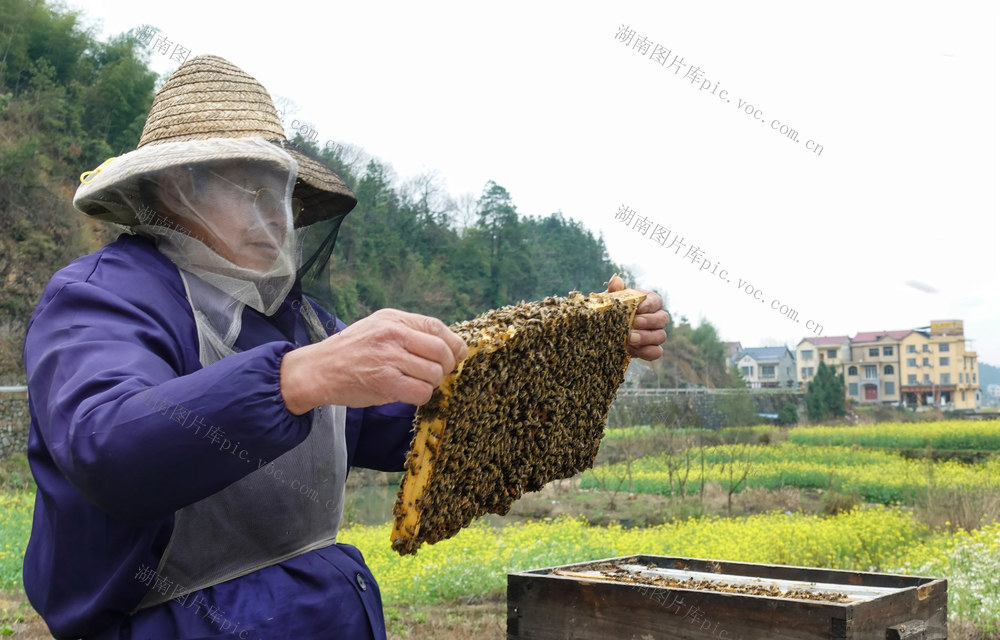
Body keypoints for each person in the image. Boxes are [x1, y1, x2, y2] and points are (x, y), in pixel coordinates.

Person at [21, 55, 667, 640]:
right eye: (242, 187)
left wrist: (592, 350)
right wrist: (297, 379)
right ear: (171, 189)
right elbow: (105, 445)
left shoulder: (299, 319)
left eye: (277, 191)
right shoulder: (98, 299)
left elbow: (426, 422)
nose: (272, 215)